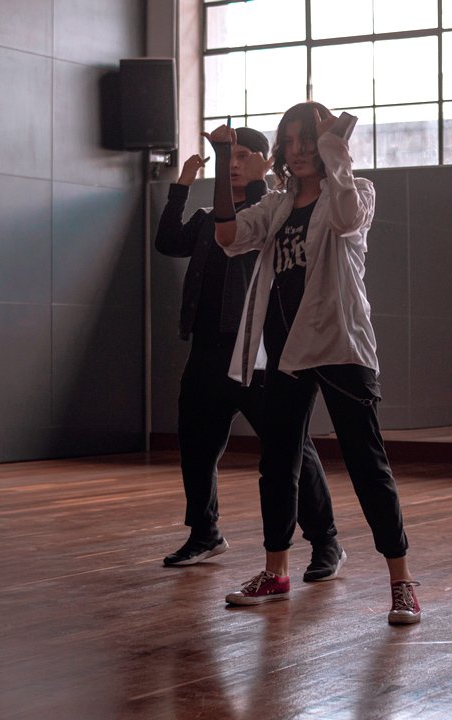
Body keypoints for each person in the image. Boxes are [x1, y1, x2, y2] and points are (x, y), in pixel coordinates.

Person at [209, 101, 421, 624]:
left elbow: (346, 218)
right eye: (290, 141)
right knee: (277, 462)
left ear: (327, 143)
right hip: (287, 351)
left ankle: (402, 583)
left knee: (366, 463)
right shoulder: (277, 205)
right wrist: (221, 162)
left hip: (340, 344)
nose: (298, 150)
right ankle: (276, 572)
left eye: (308, 139)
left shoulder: (356, 191)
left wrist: (334, 148)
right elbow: (228, 236)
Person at [154, 126, 344, 582]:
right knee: (196, 446)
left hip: (255, 353)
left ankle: (326, 542)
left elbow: (263, 235)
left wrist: (260, 182)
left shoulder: (276, 209)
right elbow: (168, 242)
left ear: (263, 161)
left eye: (243, 156)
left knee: (289, 448)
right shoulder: (209, 217)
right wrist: (181, 184)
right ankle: (205, 533)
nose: (233, 164)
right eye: (229, 156)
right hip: (206, 350)